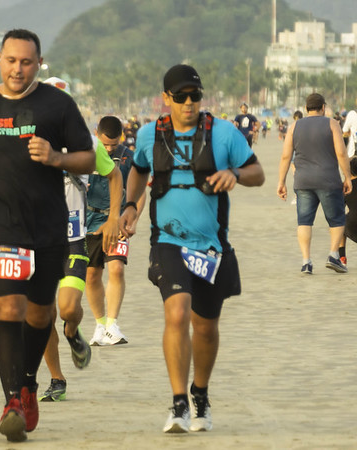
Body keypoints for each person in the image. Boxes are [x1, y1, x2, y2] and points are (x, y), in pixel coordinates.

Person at [0, 29, 98, 442]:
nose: (18, 69)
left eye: (27, 62)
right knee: (8, 310)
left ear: (39, 64)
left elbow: (89, 158)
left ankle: (29, 384)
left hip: (49, 226)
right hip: (1, 225)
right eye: (11, 60)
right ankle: (11, 401)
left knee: (40, 315)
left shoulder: (58, 105)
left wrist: (56, 158)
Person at [119, 64, 264, 434]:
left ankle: (200, 395)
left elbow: (257, 173)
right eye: (180, 96)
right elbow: (137, 170)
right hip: (167, 242)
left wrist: (235, 174)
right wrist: (131, 205)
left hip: (212, 246)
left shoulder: (224, 133)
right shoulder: (151, 134)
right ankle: (179, 402)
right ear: (166, 98)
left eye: (194, 96)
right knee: (177, 313)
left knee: (206, 327)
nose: (188, 103)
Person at [37, 79, 119, 403]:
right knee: (42, 317)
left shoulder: (87, 144)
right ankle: (57, 379)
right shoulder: (28, 143)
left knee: (68, 308)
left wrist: (113, 217)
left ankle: (72, 332)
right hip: (38, 242)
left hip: (74, 240)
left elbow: (114, 175)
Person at [85, 116, 144, 347]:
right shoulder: (86, 154)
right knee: (92, 275)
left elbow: (139, 193)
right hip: (89, 220)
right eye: (105, 144)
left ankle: (112, 324)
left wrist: (133, 220)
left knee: (117, 268)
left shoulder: (129, 158)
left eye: (113, 145)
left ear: (122, 136)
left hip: (118, 219)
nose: (109, 150)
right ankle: (99, 324)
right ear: (96, 134)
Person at [277, 93, 352, 274]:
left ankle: (306, 262)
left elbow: (286, 156)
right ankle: (334, 255)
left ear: (306, 108)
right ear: (323, 107)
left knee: (304, 221)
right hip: (328, 180)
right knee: (336, 219)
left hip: (303, 182)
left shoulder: (294, 126)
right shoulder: (332, 124)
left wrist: (281, 181)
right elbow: (341, 153)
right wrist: (348, 177)